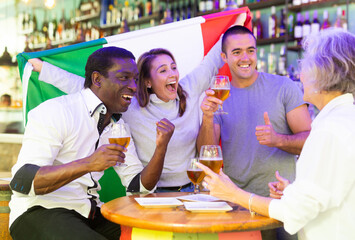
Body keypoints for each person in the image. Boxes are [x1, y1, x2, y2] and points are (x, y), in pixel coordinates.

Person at [197, 27, 355, 240]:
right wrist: (291, 191)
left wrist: (234, 193)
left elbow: (297, 210)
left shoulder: (329, 130)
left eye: (305, 67)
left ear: (323, 74)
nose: (300, 74)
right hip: (247, 206)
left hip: (278, 211)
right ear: (224, 57)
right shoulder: (339, 120)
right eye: (236, 52)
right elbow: (324, 188)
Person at [9, 47, 174, 240]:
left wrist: (161, 148)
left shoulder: (118, 127)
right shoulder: (56, 111)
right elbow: (22, 181)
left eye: (135, 79)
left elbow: (137, 187)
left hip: (90, 214)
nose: (133, 86)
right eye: (124, 78)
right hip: (40, 212)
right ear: (97, 80)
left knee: (154, 236)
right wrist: (89, 163)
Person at [28, 35, 225, 192]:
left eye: (174, 67)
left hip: (193, 187)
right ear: (147, 82)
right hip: (153, 193)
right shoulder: (130, 105)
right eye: (163, 70)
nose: (172, 74)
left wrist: (234, 26)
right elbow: (85, 88)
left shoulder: (189, 89)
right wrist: (43, 68)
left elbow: (211, 62)